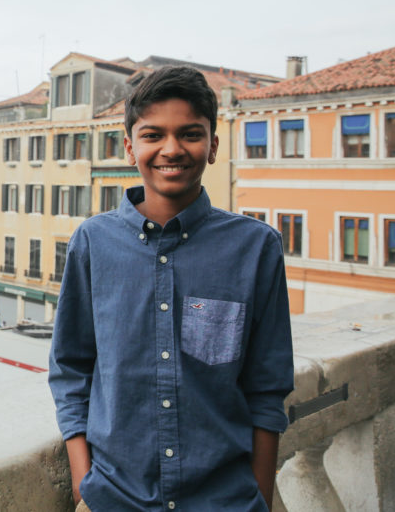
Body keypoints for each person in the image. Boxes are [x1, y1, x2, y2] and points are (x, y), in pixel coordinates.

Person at [49, 66, 294, 511]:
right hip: (113, 500)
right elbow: (71, 369)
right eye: (153, 135)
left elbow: (267, 386)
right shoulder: (92, 242)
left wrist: (256, 497)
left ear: (213, 145)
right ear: (129, 147)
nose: (171, 149)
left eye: (190, 134)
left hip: (225, 502)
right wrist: (84, 485)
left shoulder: (255, 248)